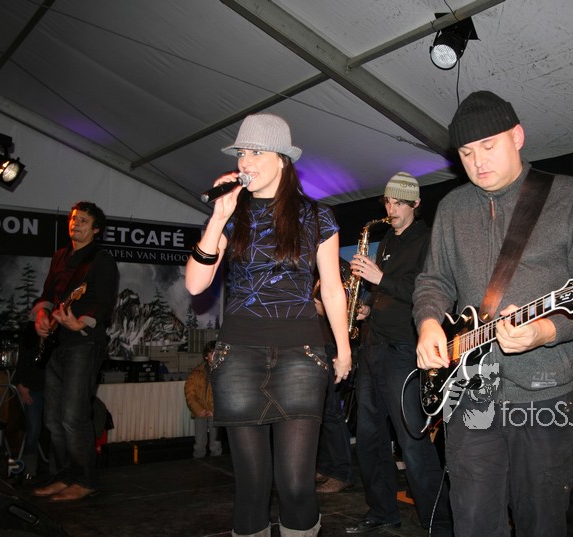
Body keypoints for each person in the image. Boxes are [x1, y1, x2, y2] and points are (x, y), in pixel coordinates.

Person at [413, 90, 573, 537]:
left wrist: (546, 330)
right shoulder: (451, 208)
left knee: (540, 522)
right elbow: (434, 280)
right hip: (470, 394)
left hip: (546, 395)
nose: (478, 161)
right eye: (466, 153)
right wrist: (428, 321)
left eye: (488, 146)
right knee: (473, 522)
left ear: (518, 137)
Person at [185, 113, 352, 537]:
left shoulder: (316, 216)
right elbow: (195, 283)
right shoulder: (232, 214)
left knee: (295, 484)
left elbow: (333, 290)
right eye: (241, 152)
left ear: (282, 159)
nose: (245, 161)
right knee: (252, 486)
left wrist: (344, 348)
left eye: (256, 152)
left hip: (301, 354)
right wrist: (217, 218)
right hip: (239, 355)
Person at [346, 172, 452, 535]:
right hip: (373, 346)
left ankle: (438, 522)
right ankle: (382, 511)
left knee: (412, 440)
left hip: (404, 349)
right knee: (370, 437)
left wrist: (380, 279)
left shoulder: (428, 240)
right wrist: (367, 307)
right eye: (388, 203)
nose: (391, 210)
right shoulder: (388, 238)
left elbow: (426, 291)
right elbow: (388, 293)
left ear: (416, 204)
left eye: (399, 204)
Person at [31, 201, 119, 502]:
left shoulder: (101, 260)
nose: (75, 224)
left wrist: (80, 321)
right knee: (53, 419)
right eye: (73, 219)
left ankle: (86, 480)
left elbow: (105, 303)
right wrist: (41, 317)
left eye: (83, 220)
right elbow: (47, 295)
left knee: (73, 415)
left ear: (96, 229)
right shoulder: (60, 256)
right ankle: (64, 475)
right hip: (56, 344)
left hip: (84, 342)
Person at [313, 275, 354, 494]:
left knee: (331, 413)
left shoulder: (336, 274)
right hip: (312, 347)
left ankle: (341, 473)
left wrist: (321, 310)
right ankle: (326, 467)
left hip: (329, 348)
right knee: (318, 414)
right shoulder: (309, 273)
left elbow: (347, 312)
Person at [11, 322, 48, 482]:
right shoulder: (29, 333)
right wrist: (20, 384)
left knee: (55, 428)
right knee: (33, 430)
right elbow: (22, 360)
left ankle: (55, 468)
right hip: (33, 388)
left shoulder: (56, 334)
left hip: (52, 387)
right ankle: (29, 470)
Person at [184, 340, 223, 458]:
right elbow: (189, 393)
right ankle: (198, 462)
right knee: (199, 443)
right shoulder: (195, 373)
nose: (216, 356)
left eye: (218, 353)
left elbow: (225, 393)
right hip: (200, 412)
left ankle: (217, 462)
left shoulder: (223, 373)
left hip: (216, 413)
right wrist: (198, 410)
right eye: (213, 353)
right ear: (206, 356)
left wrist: (215, 411)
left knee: (216, 444)